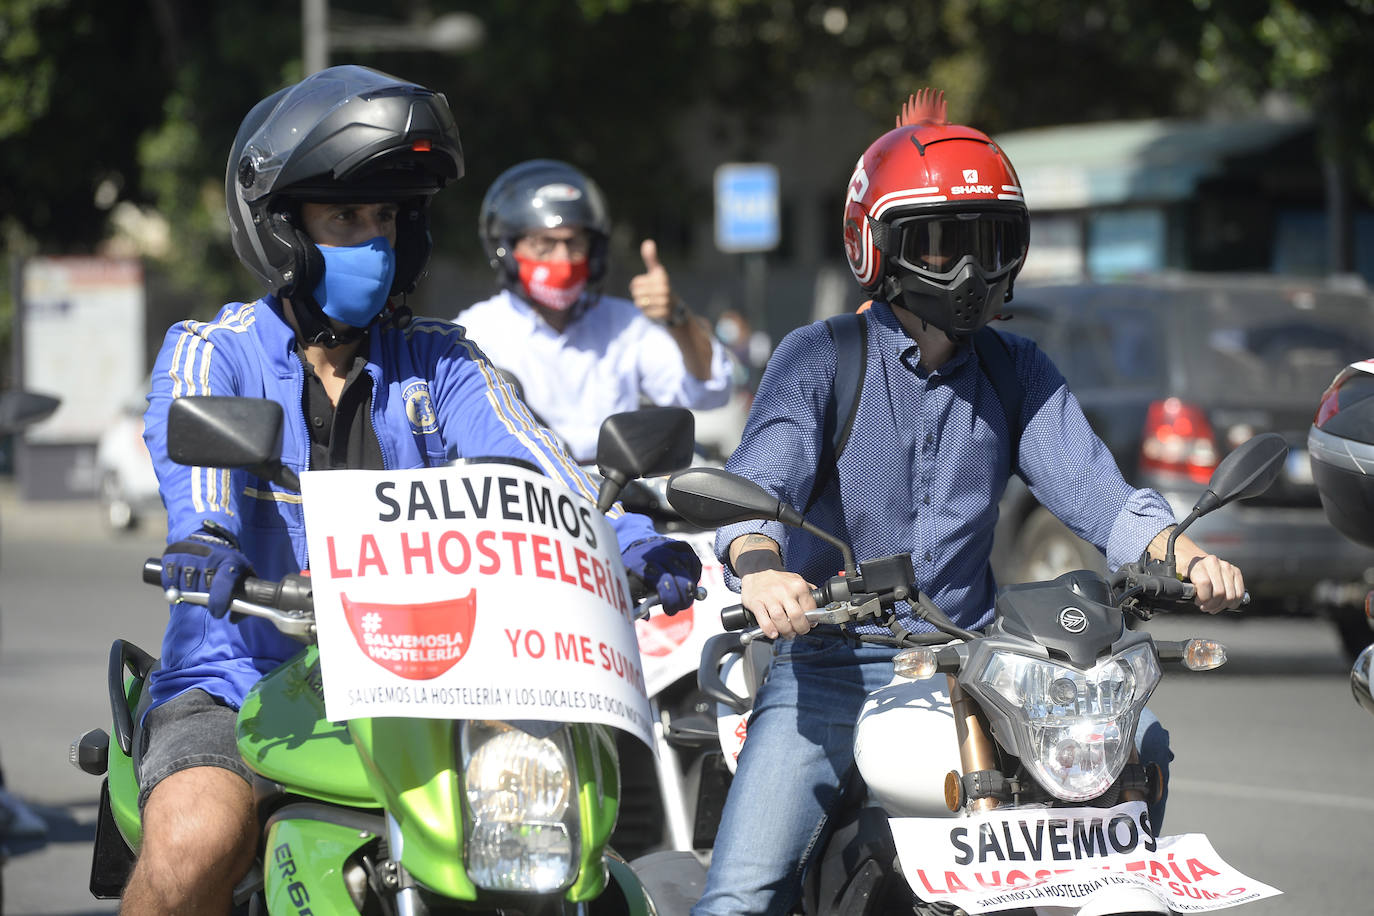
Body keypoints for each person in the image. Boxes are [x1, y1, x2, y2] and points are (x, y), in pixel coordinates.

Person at [126, 66, 700, 915]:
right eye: (347, 217)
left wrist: (625, 540)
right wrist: (207, 539)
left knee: (561, 844)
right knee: (193, 841)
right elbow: (197, 470)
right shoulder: (215, 349)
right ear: (284, 231)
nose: (374, 240)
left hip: (432, 680)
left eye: (387, 218)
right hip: (243, 677)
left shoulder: (446, 360)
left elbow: (543, 467)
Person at [692, 89, 1247, 916]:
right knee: (738, 897)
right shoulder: (819, 359)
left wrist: (1186, 555)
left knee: (1140, 745)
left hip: (979, 667)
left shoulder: (1017, 370)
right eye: (942, 244)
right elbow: (755, 492)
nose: (970, 270)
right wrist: (764, 569)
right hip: (835, 666)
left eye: (989, 244)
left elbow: (1101, 496)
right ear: (876, 245)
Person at [455, 159, 734, 463]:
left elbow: (711, 390)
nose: (562, 259)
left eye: (574, 243)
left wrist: (677, 318)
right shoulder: (473, 334)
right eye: (544, 244)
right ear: (508, 251)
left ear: (595, 252)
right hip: (523, 499)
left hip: (617, 497)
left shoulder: (624, 325)